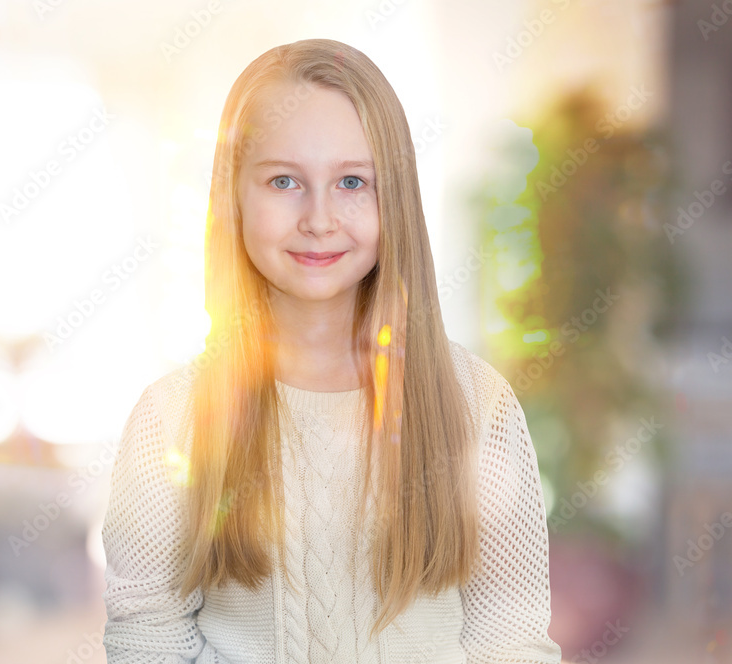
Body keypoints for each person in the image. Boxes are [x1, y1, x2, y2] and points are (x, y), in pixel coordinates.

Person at [101, 38, 561, 664]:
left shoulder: (478, 404)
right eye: (284, 180)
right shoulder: (171, 416)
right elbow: (147, 635)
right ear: (234, 195)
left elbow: (511, 638)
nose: (319, 218)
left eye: (352, 181)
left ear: (393, 198)